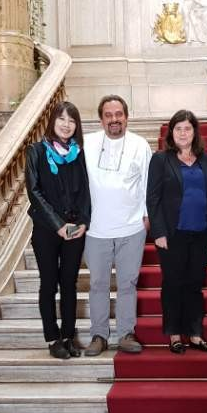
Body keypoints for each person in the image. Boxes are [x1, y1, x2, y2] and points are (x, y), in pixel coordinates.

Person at [82, 95, 152, 356]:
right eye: (109, 115)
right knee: (98, 284)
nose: (114, 119)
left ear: (126, 117)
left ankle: (125, 333)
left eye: (119, 114)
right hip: (95, 229)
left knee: (127, 284)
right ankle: (99, 335)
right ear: (101, 119)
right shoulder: (87, 143)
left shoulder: (140, 144)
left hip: (131, 228)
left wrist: (147, 215)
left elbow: (148, 182)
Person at [146, 110, 207, 354]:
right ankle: (175, 334)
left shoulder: (206, 160)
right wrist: (158, 232)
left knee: (195, 284)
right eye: (178, 129)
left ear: (195, 132)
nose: (183, 133)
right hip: (171, 233)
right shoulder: (160, 159)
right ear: (171, 132)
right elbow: (153, 198)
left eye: (188, 128)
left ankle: (196, 334)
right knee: (173, 284)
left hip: (201, 232)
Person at [25, 100, 91, 360]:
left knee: (69, 283)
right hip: (47, 229)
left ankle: (68, 336)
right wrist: (58, 225)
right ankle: (53, 339)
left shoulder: (78, 153)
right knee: (49, 283)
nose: (66, 124)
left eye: (72, 120)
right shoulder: (36, 151)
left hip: (74, 229)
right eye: (62, 119)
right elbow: (34, 192)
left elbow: (86, 190)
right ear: (52, 121)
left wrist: (83, 221)